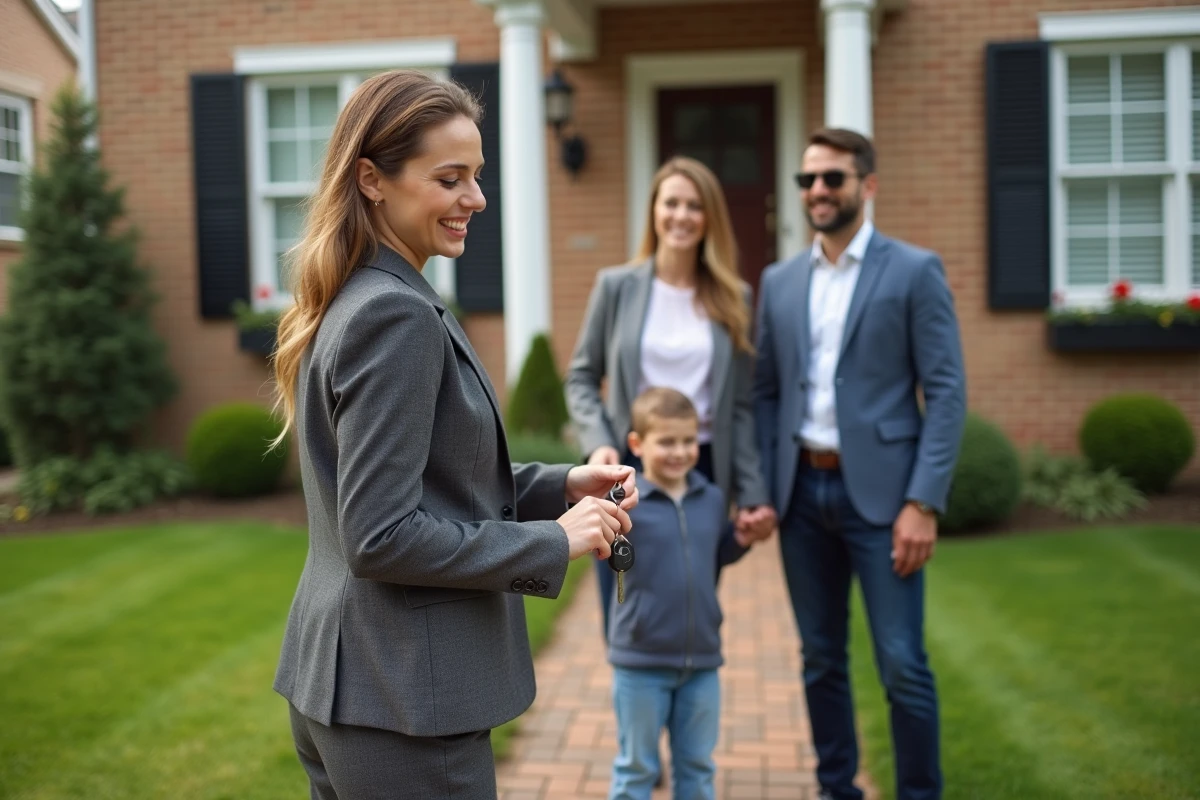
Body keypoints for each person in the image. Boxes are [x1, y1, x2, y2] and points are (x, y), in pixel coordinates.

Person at [269, 69, 639, 800]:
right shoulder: (393, 315)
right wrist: (554, 540)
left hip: (357, 687)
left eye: (475, 176)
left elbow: (438, 467)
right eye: (450, 178)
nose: (475, 198)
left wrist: (561, 483)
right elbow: (381, 534)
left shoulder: (372, 293)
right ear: (373, 180)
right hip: (405, 702)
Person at [752, 128, 967, 800]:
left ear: (867, 186)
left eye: (833, 178)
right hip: (801, 495)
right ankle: (836, 788)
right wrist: (760, 486)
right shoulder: (779, 280)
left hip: (884, 499)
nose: (818, 190)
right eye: (807, 179)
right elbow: (764, 393)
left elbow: (948, 391)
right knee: (820, 659)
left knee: (902, 664)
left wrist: (923, 501)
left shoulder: (913, 270)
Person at [565, 155, 776, 641]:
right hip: (627, 475)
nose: (681, 216)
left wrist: (753, 491)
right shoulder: (616, 287)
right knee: (624, 615)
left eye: (694, 206)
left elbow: (739, 407)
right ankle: (635, 715)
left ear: (709, 219)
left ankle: (686, 714)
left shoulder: (734, 297)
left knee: (692, 614)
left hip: (700, 474)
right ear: (655, 211)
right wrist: (598, 443)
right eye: (672, 203)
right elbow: (580, 376)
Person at [605, 387, 770, 800]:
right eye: (667, 441)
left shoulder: (711, 498)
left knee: (697, 770)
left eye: (688, 440)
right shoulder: (625, 505)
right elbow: (600, 550)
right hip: (640, 661)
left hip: (702, 662)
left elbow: (714, 554)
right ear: (637, 444)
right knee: (636, 770)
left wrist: (742, 538)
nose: (679, 451)